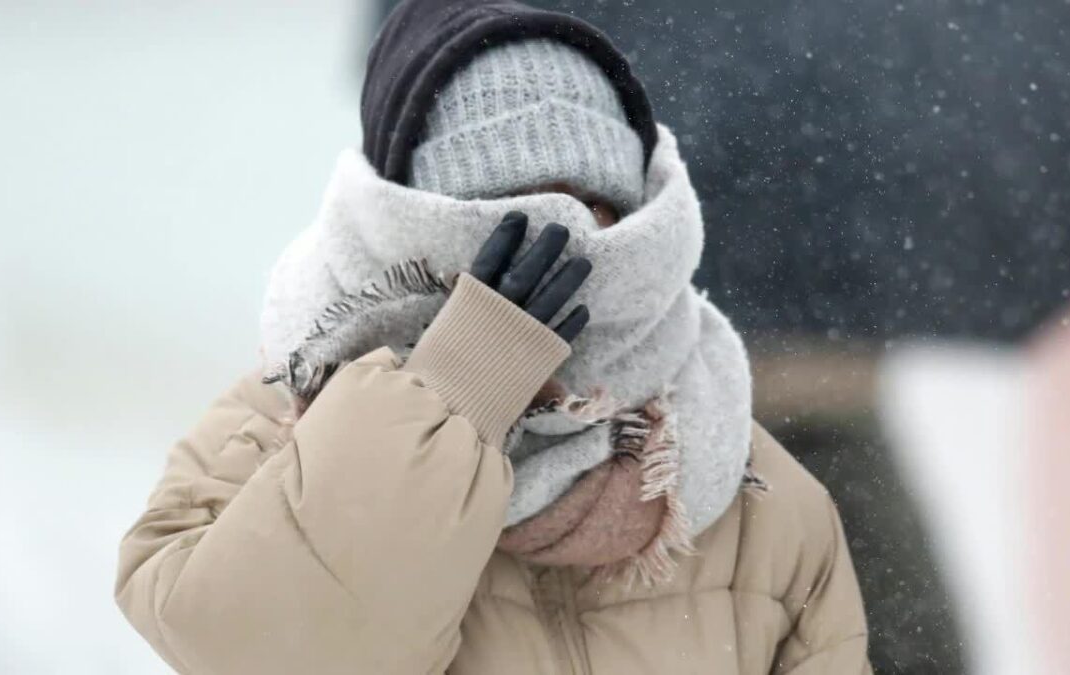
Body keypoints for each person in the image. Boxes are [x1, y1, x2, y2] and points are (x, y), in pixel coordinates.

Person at [115, 0, 870, 672]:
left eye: (592, 205)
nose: (565, 236)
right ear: (411, 218)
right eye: (504, 212)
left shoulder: (743, 486)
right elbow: (265, 648)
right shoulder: (269, 430)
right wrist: (456, 392)